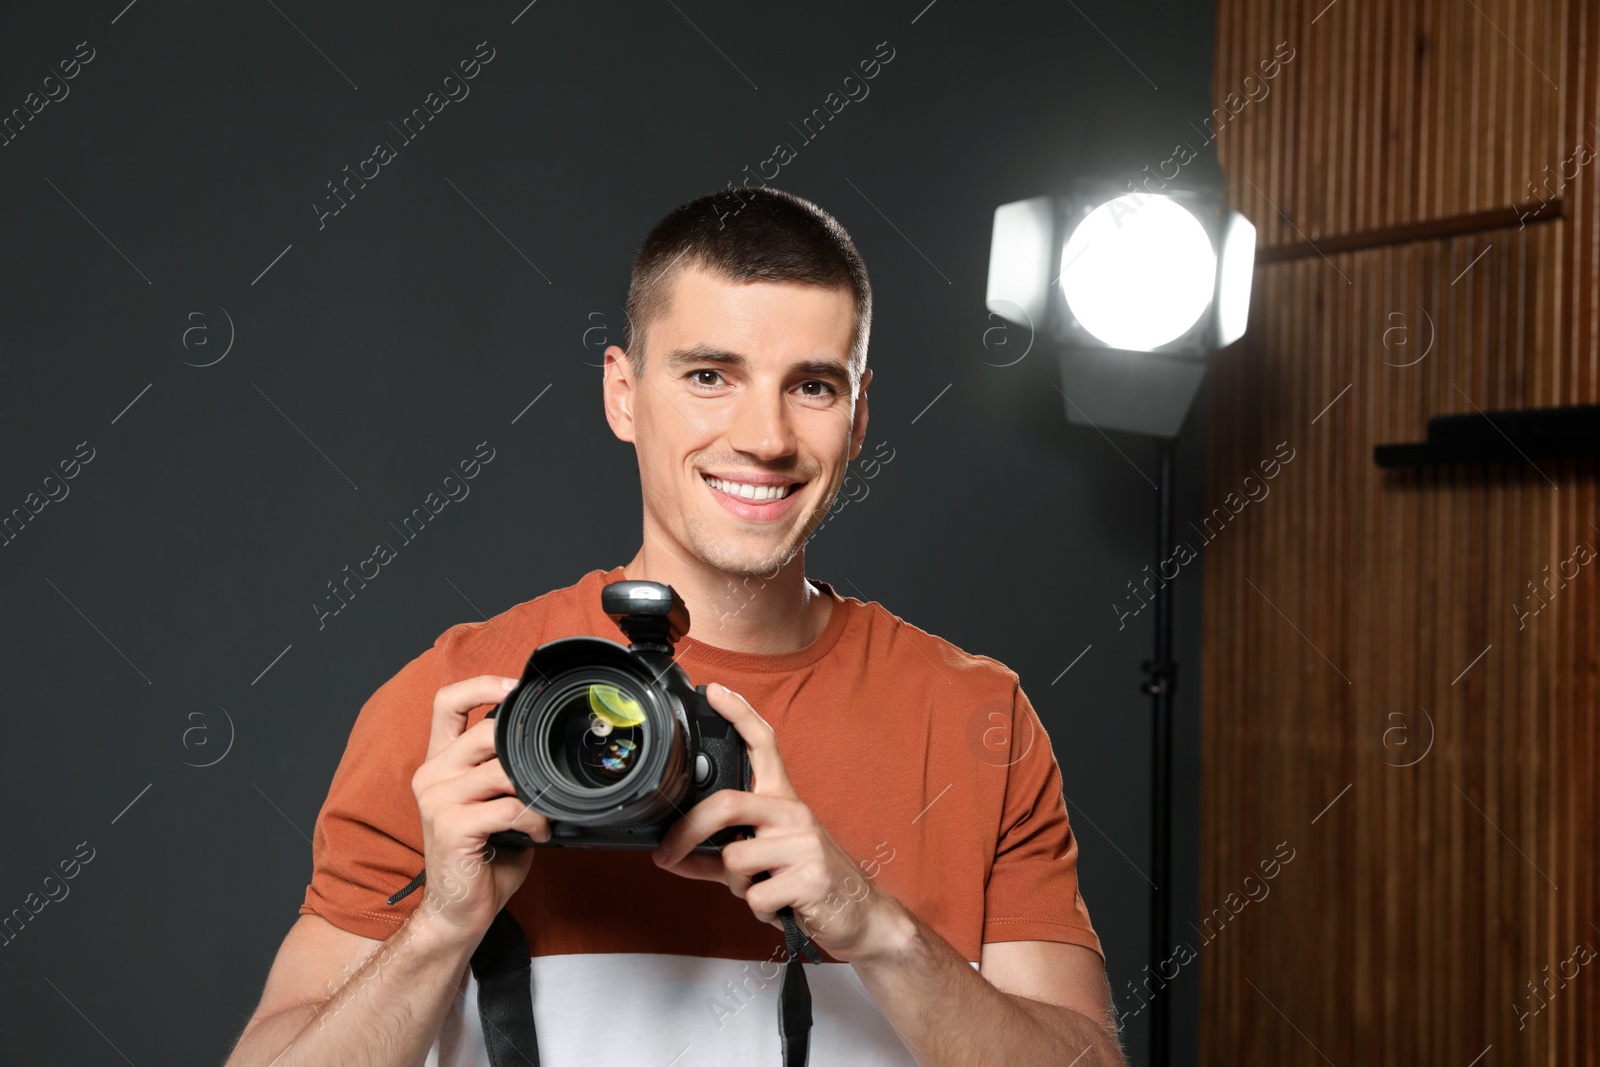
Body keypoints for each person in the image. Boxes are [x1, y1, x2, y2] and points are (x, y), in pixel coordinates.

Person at [225, 187, 1127, 1066]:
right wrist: (440, 928)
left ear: (859, 417)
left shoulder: (975, 718)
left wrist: (872, 923)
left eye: (812, 385)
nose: (764, 436)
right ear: (623, 392)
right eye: (709, 375)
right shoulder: (461, 704)